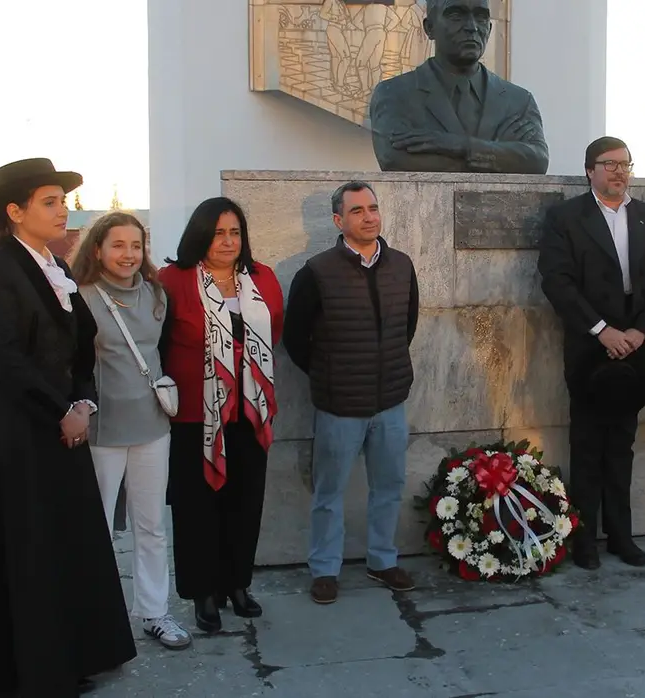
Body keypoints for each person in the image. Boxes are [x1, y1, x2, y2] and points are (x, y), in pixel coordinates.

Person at [0, 158, 136, 696]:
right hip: (17, 429)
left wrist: (81, 401)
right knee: (29, 547)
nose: (63, 211)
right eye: (50, 202)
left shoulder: (52, 269)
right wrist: (59, 410)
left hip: (64, 423)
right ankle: (31, 670)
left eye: (63, 201)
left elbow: (80, 349)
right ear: (14, 212)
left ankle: (67, 657)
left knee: (64, 544)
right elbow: (5, 358)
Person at [537, 136, 645, 569]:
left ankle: (620, 536)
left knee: (623, 444)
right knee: (587, 443)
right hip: (589, 346)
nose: (618, 171)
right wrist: (601, 330)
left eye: (624, 164)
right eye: (609, 164)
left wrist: (639, 332)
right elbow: (556, 280)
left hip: (634, 347)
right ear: (590, 170)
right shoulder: (566, 218)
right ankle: (583, 539)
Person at [283, 181, 420, 604]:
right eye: (357, 210)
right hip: (340, 406)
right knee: (329, 492)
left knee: (389, 485)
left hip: (390, 402)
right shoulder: (316, 272)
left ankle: (382, 559)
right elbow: (294, 336)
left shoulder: (401, 265)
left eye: (373, 207)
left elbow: (407, 325)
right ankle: (325, 568)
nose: (368, 216)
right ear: (339, 220)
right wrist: (331, 373)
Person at [158, 197, 284, 632]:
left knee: (245, 501)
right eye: (218, 233)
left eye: (234, 232)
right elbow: (158, 341)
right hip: (196, 414)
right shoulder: (173, 280)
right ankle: (203, 593)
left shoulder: (262, 277)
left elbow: (275, 330)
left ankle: (237, 585)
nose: (228, 241)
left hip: (249, 412)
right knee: (197, 507)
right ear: (200, 235)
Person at [70, 211, 193, 649]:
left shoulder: (156, 293)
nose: (128, 254)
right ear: (98, 249)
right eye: (118, 245)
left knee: (151, 524)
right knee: (97, 528)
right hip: (103, 427)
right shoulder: (80, 296)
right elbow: (73, 363)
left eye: (136, 245)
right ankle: (95, 620)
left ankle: (155, 612)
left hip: (152, 424)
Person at [367, 0, 549, 173]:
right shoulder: (394, 95)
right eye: (456, 15)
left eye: (481, 16)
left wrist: (460, 146)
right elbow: (395, 159)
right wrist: (501, 155)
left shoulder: (518, 102)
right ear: (429, 28)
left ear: (490, 28)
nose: (472, 27)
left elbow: (537, 161)